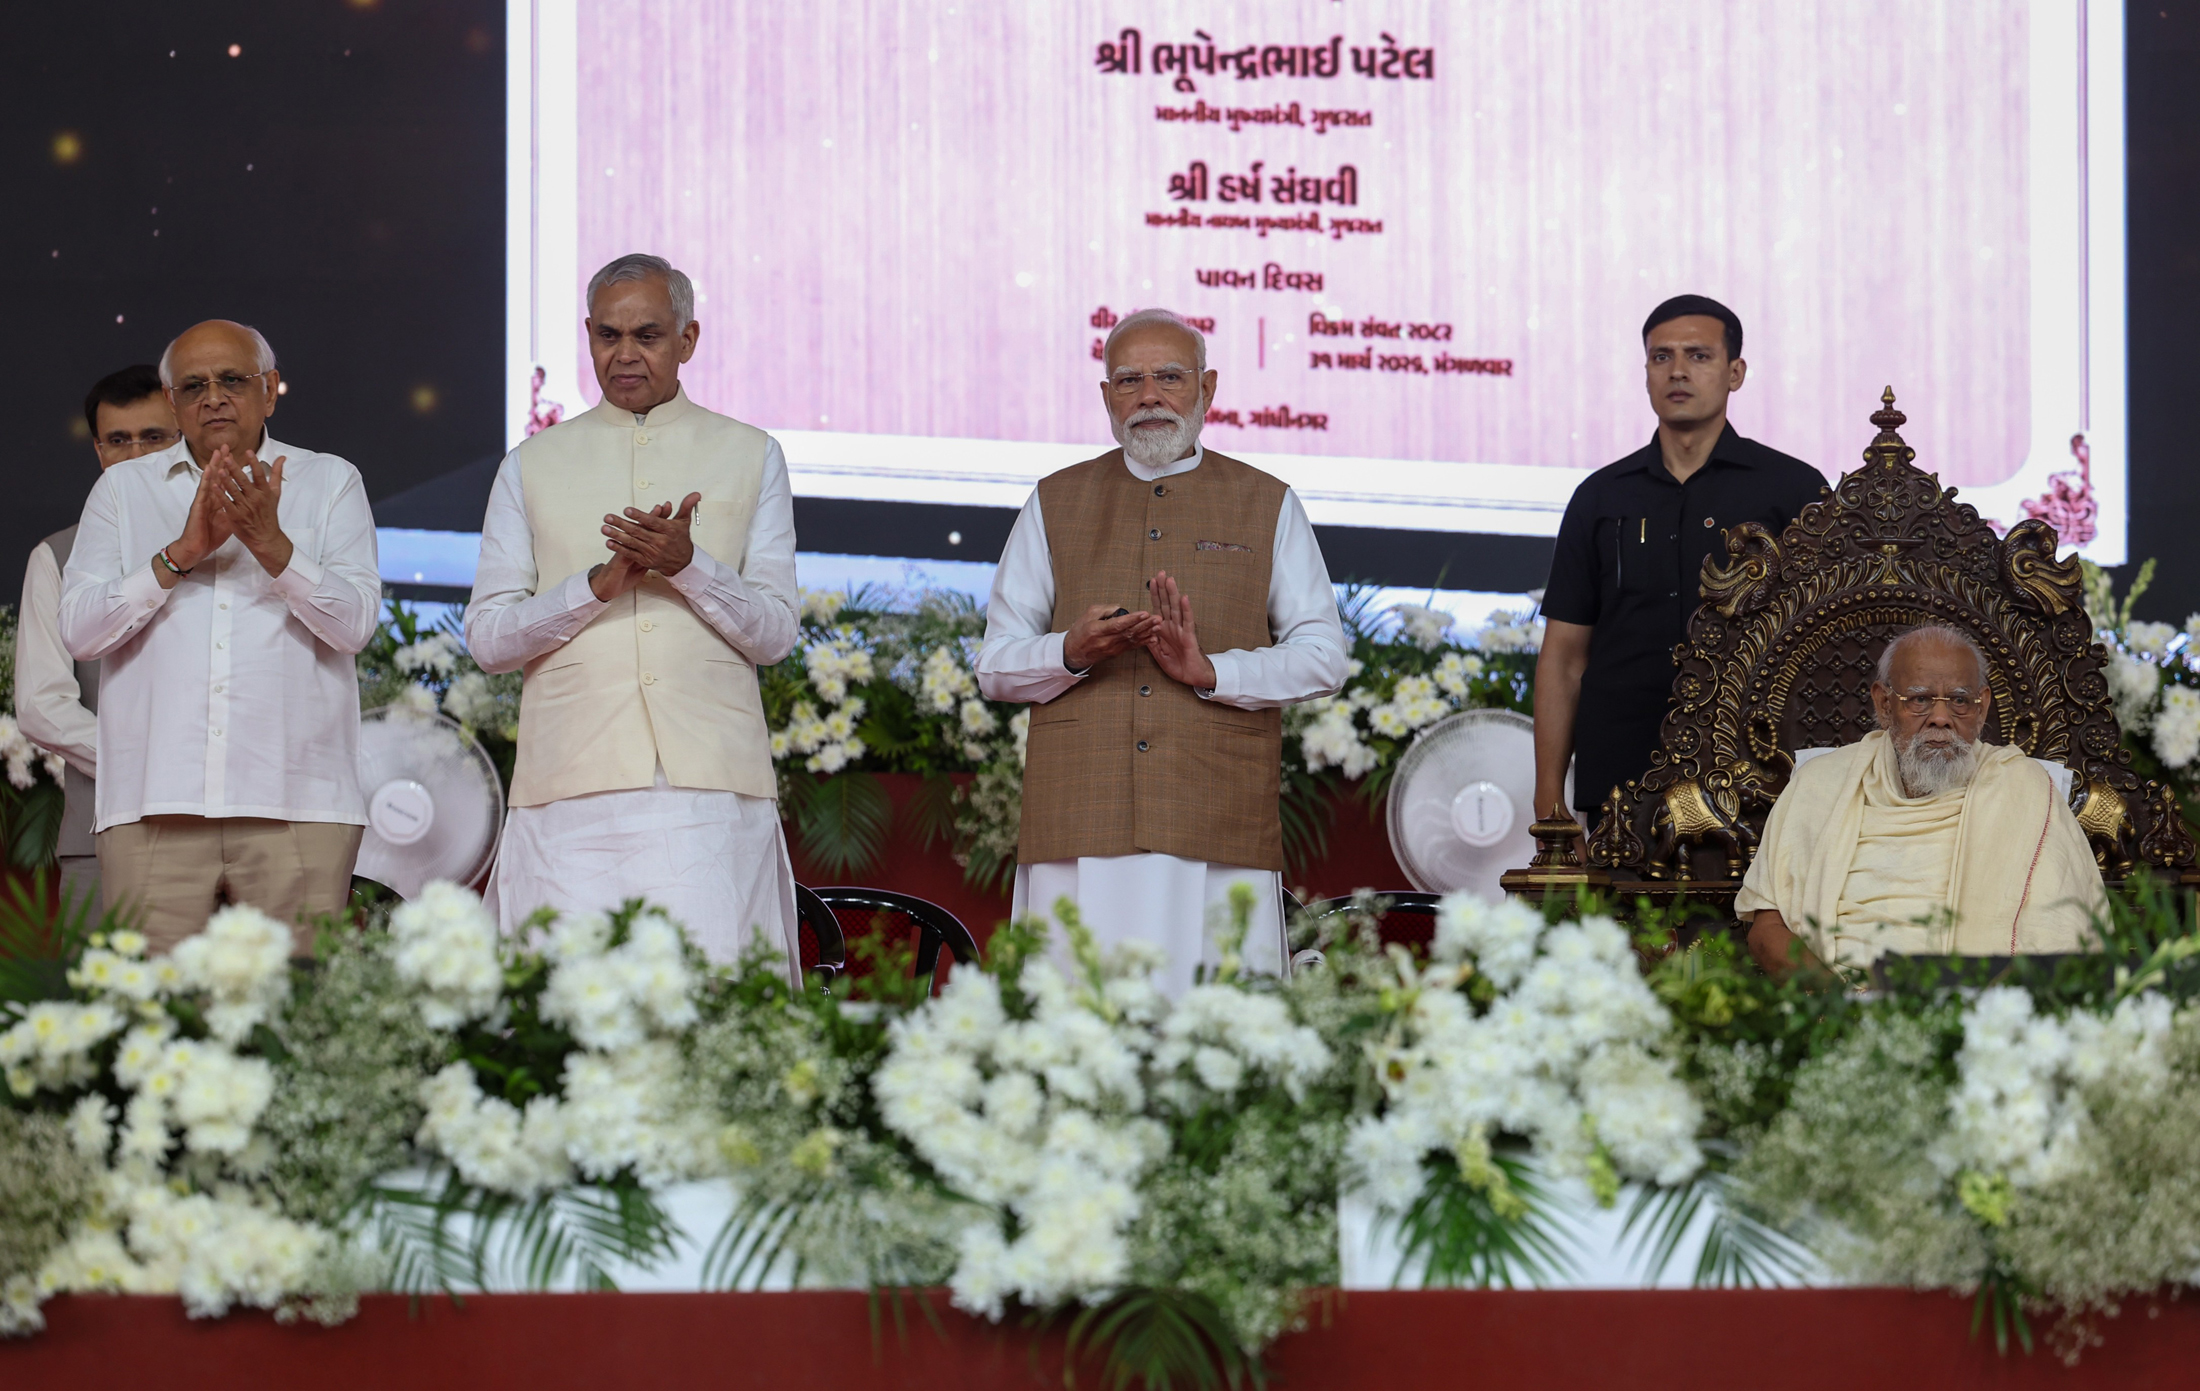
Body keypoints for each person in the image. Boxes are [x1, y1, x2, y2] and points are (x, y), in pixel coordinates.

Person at [977, 308, 1349, 996]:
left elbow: (1325, 654)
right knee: (1075, 1033)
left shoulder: (1267, 502)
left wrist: (1214, 671)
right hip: (1079, 825)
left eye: (1170, 377)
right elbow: (995, 665)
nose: (1149, 395)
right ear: (1105, 397)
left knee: (1213, 1041)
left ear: (1208, 389)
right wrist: (1071, 651)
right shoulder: (1054, 500)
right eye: (1129, 380)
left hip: (1216, 820)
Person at [465, 253, 800, 965]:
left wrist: (690, 567)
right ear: (588, 335)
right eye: (607, 336)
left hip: (709, 790)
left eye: (647, 335)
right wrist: (591, 588)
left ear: (688, 339)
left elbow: (774, 634)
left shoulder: (752, 453)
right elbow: (490, 640)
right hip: (568, 789)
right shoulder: (530, 464)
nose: (624, 355)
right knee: (567, 1012)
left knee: (710, 1002)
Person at [58, 322, 380, 954]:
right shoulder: (123, 491)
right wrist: (181, 554)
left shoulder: (329, 481)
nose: (214, 397)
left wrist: (272, 546)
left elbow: (354, 625)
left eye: (232, 380)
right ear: (172, 402)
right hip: (155, 803)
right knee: (157, 1026)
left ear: (269, 390)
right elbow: (80, 631)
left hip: (299, 801)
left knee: (299, 1020)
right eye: (194, 385)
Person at [1534, 296, 1826, 824]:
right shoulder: (1601, 498)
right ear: (1645, 373)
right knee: (1616, 910)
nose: (1678, 371)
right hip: (1621, 773)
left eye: (1699, 355)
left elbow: (1825, 648)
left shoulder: (1793, 490)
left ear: (1735, 372)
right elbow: (1563, 659)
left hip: (1758, 774)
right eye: (1661, 357)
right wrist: (1549, 797)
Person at [1737, 626, 2104, 976]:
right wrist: (1840, 1007)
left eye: (1960, 700)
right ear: (1883, 704)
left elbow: (2064, 936)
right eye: (1920, 699)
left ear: (1982, 707)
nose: (1941, 718)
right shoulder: (1820, 786)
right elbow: (1766, 928)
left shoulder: (2025, 791)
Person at [14, 366, 180, 905]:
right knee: (105, 988)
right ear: (99, 451)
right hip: (102, 829)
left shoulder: (235, 541)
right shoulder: (57, 556)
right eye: (118, 441)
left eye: (153, 438)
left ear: (183, 440)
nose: (135, 456)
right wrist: (153, 764)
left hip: (241, 831)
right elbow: (42, 706)